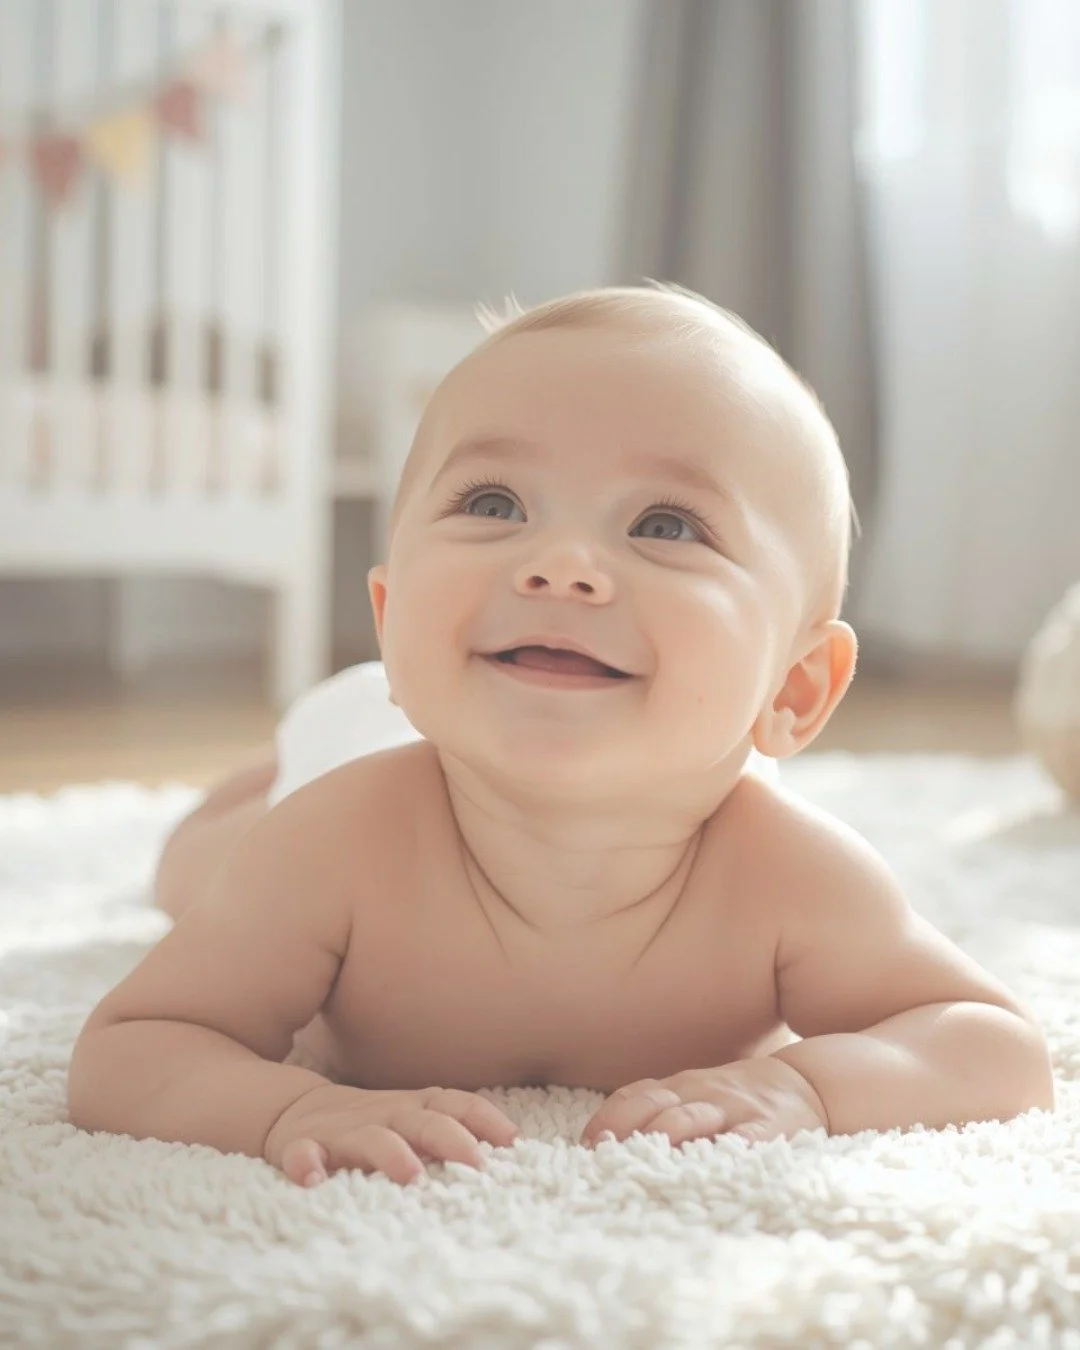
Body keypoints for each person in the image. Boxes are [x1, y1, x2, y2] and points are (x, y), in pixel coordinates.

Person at [67, 284, 1054, 1188]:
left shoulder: (789, 877)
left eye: (667, 524)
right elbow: (134, 1046)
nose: (562, 565)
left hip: (496, 681)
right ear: (391, 613)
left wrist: (809, 1088)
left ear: (793, 691)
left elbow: (990, 1047)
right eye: (493, 504)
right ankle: (278, 754)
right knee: (189, 872)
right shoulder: (330, 842)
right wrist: (289, 1106)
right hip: (357, 740)